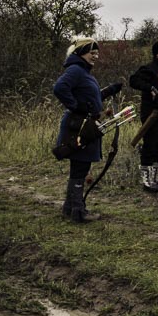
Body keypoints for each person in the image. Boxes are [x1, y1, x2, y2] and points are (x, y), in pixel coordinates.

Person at [53, 37, 122, 223]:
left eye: (97, 53)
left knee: (79, 166)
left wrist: (109, 90)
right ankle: (78, 212)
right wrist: (76, 106)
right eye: (92, 53)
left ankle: (70, 208)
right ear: (80, 53)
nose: (96, 56)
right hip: (79, 126)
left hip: (84, 124)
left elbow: (90, 98)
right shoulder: (76, 70)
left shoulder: (83, 71)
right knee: (80, 166)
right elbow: (59, 88)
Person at [129, 41, 158, 192]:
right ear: (157, 54)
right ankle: (147, 182)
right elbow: (133, 81)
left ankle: (155, 179)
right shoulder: (148, 69)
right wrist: (149, 87)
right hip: (151, 115)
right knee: (150, 145)